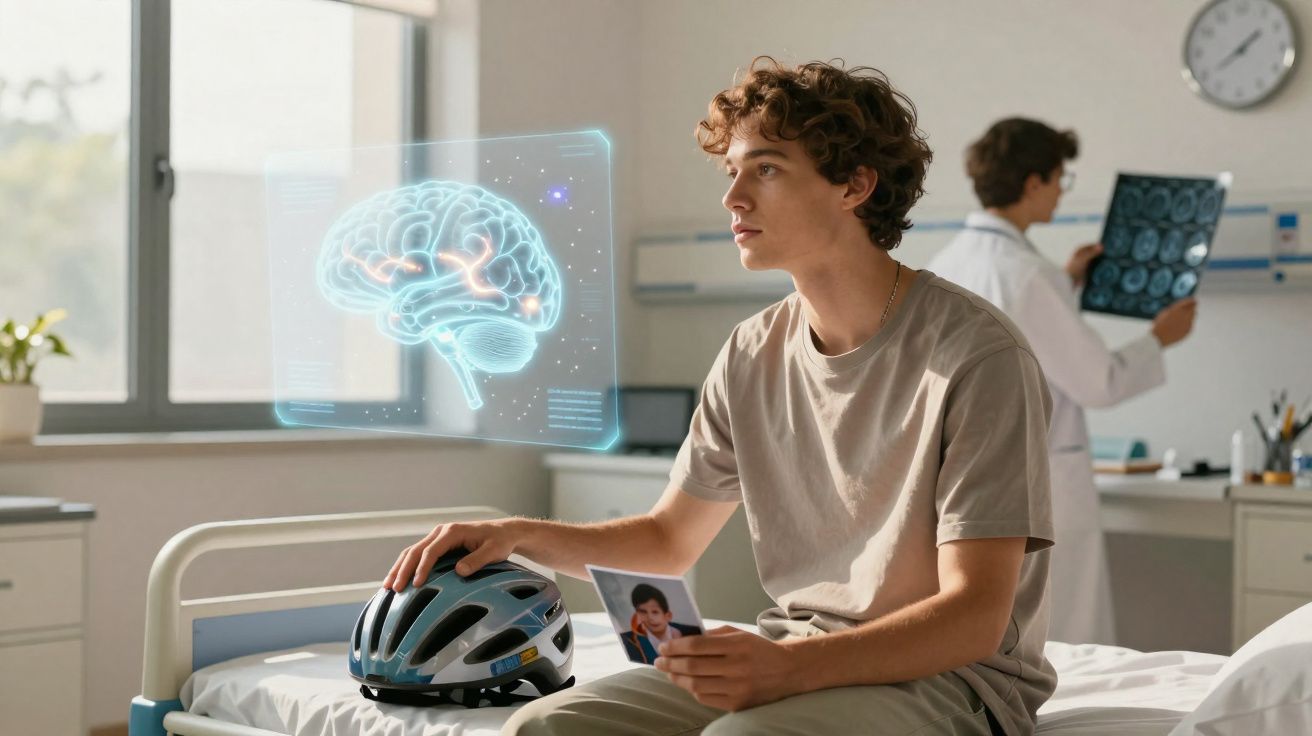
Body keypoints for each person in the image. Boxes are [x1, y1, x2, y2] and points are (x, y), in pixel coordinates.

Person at [386, 58, 1057, 735]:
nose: (734, 197)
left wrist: (787, 669)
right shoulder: (751, 352)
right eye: (731, 172)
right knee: (545, 729)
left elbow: (974, 616)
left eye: (765, 169)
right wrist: (517, 534)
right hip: (798, 652)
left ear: (855, 185)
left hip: (948, 680)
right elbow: (667, 541)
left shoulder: (978, 355)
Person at [927, 118, 1198, 646]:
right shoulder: (1030, 274)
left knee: (993, 632)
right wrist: (1159, 338)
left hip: (963, 481)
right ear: (1033, 183)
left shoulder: (947, 263)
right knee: (1064, 634)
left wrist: (1066, 283)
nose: (1060, 191)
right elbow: (1101, 382)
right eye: (1059, 178)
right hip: (1040, 483)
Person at [620, 583, 702, 664]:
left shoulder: (694, 632)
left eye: (655, 612)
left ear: (668, 615)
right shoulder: (629, 641)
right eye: (643, 612)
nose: (650, 618)